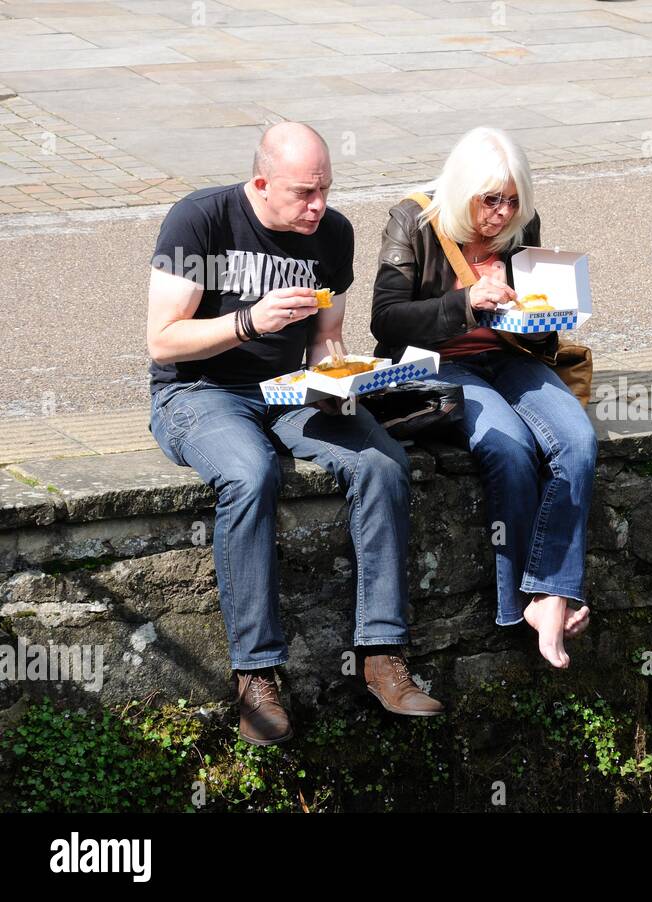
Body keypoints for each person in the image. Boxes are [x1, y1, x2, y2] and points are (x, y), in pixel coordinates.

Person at [146, 122, 442, 746]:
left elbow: (326, 338)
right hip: (199, 390)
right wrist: (249, 322)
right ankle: (256, 673)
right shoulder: (199, 221)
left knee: (381, 464)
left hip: (291, 391)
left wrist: (340, 379)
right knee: (251, 475)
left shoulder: (332, 233)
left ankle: (382, 654)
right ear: (261, 183)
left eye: (325, 190)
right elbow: (162, 338)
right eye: (304, 193)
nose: (318, 207)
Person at [371, 127, 596, 670]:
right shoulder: (413, 220)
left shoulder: (521, 226)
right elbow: (386, 319)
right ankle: (521, 601)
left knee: (577, 441)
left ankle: (550, 593)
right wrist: (466, 302)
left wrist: (547, 314)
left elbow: (536, 323)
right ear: (463, 190)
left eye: (514, 200)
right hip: (438, 361)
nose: (502, 214)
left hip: (508, 353)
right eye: (490, 200)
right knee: (510, 448)